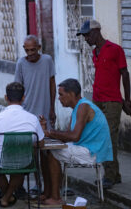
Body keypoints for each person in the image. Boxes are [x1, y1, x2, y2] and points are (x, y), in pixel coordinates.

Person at [77, 20, 131, 189]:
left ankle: (109, 176)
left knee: (108, 137)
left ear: (96, 32)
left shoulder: (115, 49)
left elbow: (124, 74)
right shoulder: (95, 52)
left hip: (111, 102)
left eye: (87, 35)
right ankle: (114, 175)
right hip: (98, 100)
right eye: (84, 36)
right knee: (99, 136)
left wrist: (127, 100)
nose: (86, 39)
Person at [40, 79, 113, 207]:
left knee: (52, 152)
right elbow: (67, 136)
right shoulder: (77, 109)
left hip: (93, 152)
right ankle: (49, 193)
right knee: (46, 150)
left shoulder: (83, 107)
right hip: (85, 148)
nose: (59, 98)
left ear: (72, 94)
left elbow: (74, 136)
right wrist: (47, 131)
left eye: (61, 94)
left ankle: (56, 197)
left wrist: (50, 133)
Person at [0, 82, 45, 207]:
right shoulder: (33, 119)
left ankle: (7, 196)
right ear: (23, 98)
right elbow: (41, 143)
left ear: (6, 98)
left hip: (1, 162)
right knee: (19, 165)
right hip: (25, 162)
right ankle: (8, 196)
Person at [14, 34, 56, 195]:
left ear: (39, 48)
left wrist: (52, 108)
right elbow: (18, 88)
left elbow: (52, 84)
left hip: (44, 112)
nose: (30, 53)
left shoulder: (47, 60)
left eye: (33, 50)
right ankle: (36, 184)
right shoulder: (21, 63)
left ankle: (50, 186)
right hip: (27, 113)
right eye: (27, 50)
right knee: (31, 153)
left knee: (46, 151)